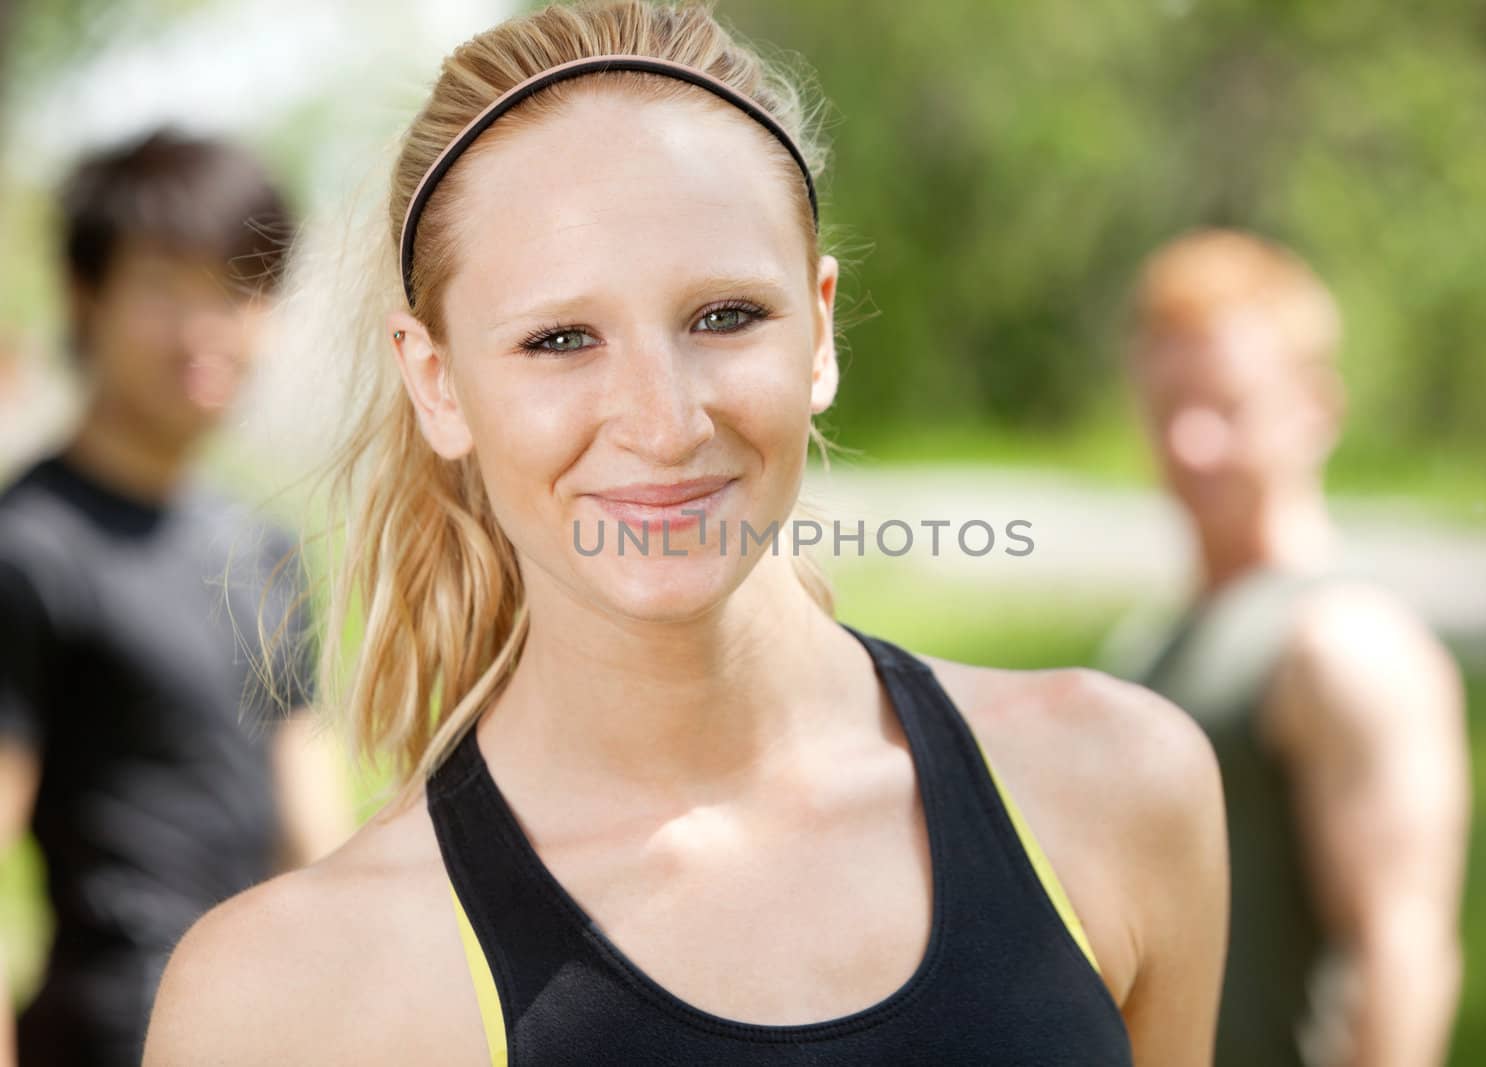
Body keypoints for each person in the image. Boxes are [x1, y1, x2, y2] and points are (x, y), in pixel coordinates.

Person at [143, 5, 1228, 1064]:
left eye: (725, 316)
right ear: (436, 382)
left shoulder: (1116, 785)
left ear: (820, 327)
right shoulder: (286, 995)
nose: (663, 423)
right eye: (561, 338)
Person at [0, 129, 354, 1067]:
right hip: (114, 1027)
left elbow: (313, 836)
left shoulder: (263, 548)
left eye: (237, 288)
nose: (207, 327)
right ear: (87, 298)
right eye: (165, 288)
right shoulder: (26, 547)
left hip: (267, 1030)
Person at [1112, 229, 1471, 1066]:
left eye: (1228, 408)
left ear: (1317, 409)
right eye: (1170, 410)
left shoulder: (1345, 645)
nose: (1190, 445)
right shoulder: (1168, 631)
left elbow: (1402, 950)